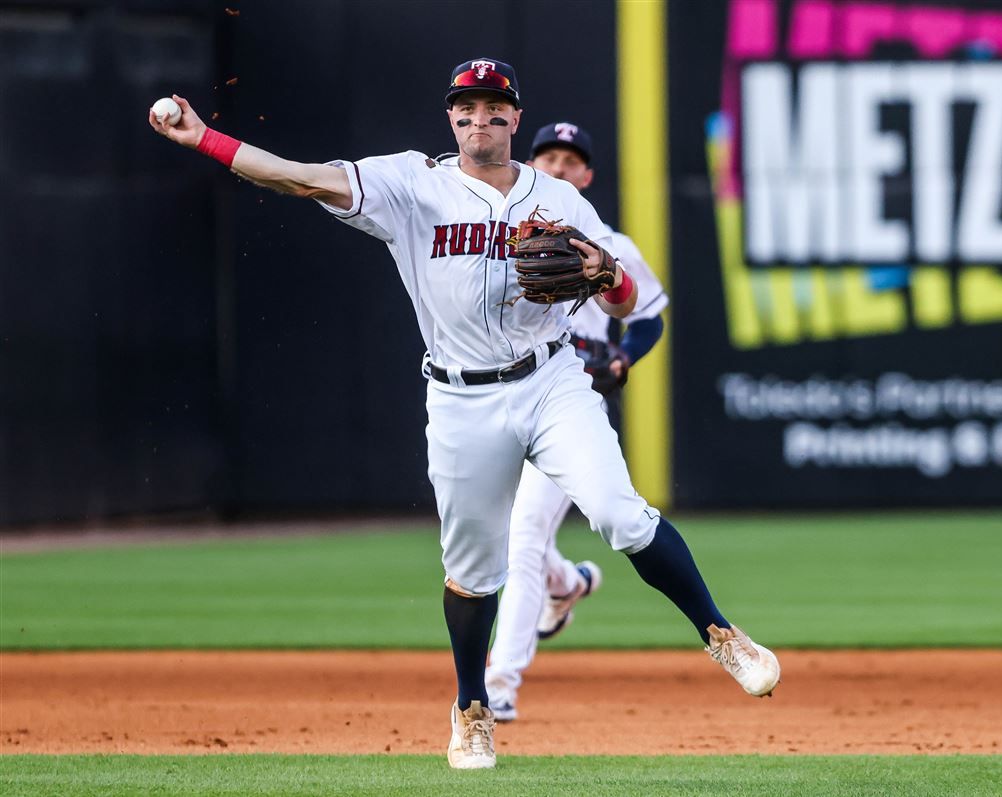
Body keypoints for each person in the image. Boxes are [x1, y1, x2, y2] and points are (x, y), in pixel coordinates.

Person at [148, 57, 779, 771]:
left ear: (515, 116)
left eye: (494, 106)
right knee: (474, 570)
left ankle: (723, 634)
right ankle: (472, 707)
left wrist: (610, 274)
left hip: (551, 379)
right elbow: (299, 175)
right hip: (460, 395)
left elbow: (627, 300)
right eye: (466, 107)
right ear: (451, 117)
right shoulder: (411, 183)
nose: (480, 118)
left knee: (620, 512)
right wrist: (207, 139)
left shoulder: (560, 199)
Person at [485, 122, 669, 722]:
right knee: (504, 532)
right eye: (548, 157)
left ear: (587, 177)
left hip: (567, 397)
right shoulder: (487, 236)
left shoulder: (609, 240)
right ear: (529, 163)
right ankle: (565, 584)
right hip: (492, 398)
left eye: (571, 160)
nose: (560, 167)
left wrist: (623, 356)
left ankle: (500, 684)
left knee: (524, 533)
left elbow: (647, 316)